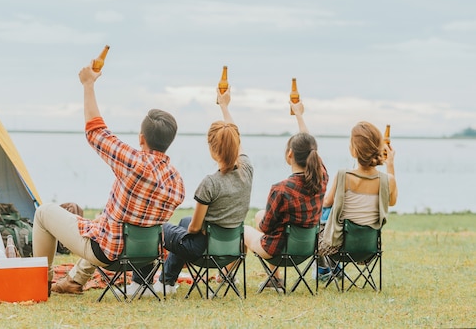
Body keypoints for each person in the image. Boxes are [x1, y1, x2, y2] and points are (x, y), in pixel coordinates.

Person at [33, 60, 185, 295]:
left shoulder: (134, 164)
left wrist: (88, 84)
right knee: (107, 221)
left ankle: (39, 282)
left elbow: (96, 131)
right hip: (143, 254)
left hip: (108, 254)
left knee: (43, 213)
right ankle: (75, 280)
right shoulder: (177, 182)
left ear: (141, 138)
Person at [128, 86, 253, 296]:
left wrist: (200, 228)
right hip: (231, 248)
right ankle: (167, 282)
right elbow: (236, 138)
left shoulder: (210, 183)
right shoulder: (247, 170)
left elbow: (195, 229)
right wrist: (224, 106)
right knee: (184, 222)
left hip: (204, 251)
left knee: (157, 225)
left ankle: (140, 283)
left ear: (212, 149)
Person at [244, 100, 329, 289]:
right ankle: (274, 279)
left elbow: (266, 227)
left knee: (245, 230)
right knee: (260, 214)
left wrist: (260, 223)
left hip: (279, 250)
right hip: (307, 248)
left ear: (290, 154)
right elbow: (311, 146)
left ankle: (226, 278)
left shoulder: (281, 189)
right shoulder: (322, 178)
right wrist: (299, 115)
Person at [317, 121, 398, 279]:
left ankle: (323, 270)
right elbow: (392, 202)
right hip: (369, 250)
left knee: (322, 212)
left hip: (337, 249)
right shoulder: (387, 180)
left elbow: (326, 202)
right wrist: (390, 165)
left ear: (354, 151)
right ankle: (330, 270)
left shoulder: (343, 176)